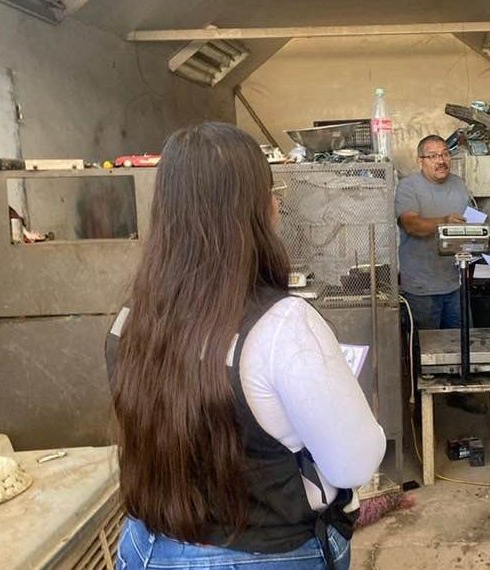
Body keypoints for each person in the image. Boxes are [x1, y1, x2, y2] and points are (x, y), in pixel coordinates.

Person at [106, 123, 385, 570]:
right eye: (270, 193)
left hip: (146, 547)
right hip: (266, 553)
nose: (277, 204)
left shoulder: (129, 323)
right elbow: (353, 464)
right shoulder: (284, 325)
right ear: (252, 211)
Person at [395, 134, 471, 330]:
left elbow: (470, 220)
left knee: (463, 345)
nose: (441, 161)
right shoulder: (408, 187)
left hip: (455, 284)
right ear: (420, 161)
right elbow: (411, 225)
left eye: (445, 154)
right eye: (433, 156)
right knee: (428, 351)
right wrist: (444, 222)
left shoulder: (458, 184)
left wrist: (479, 234)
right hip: (422, 288)